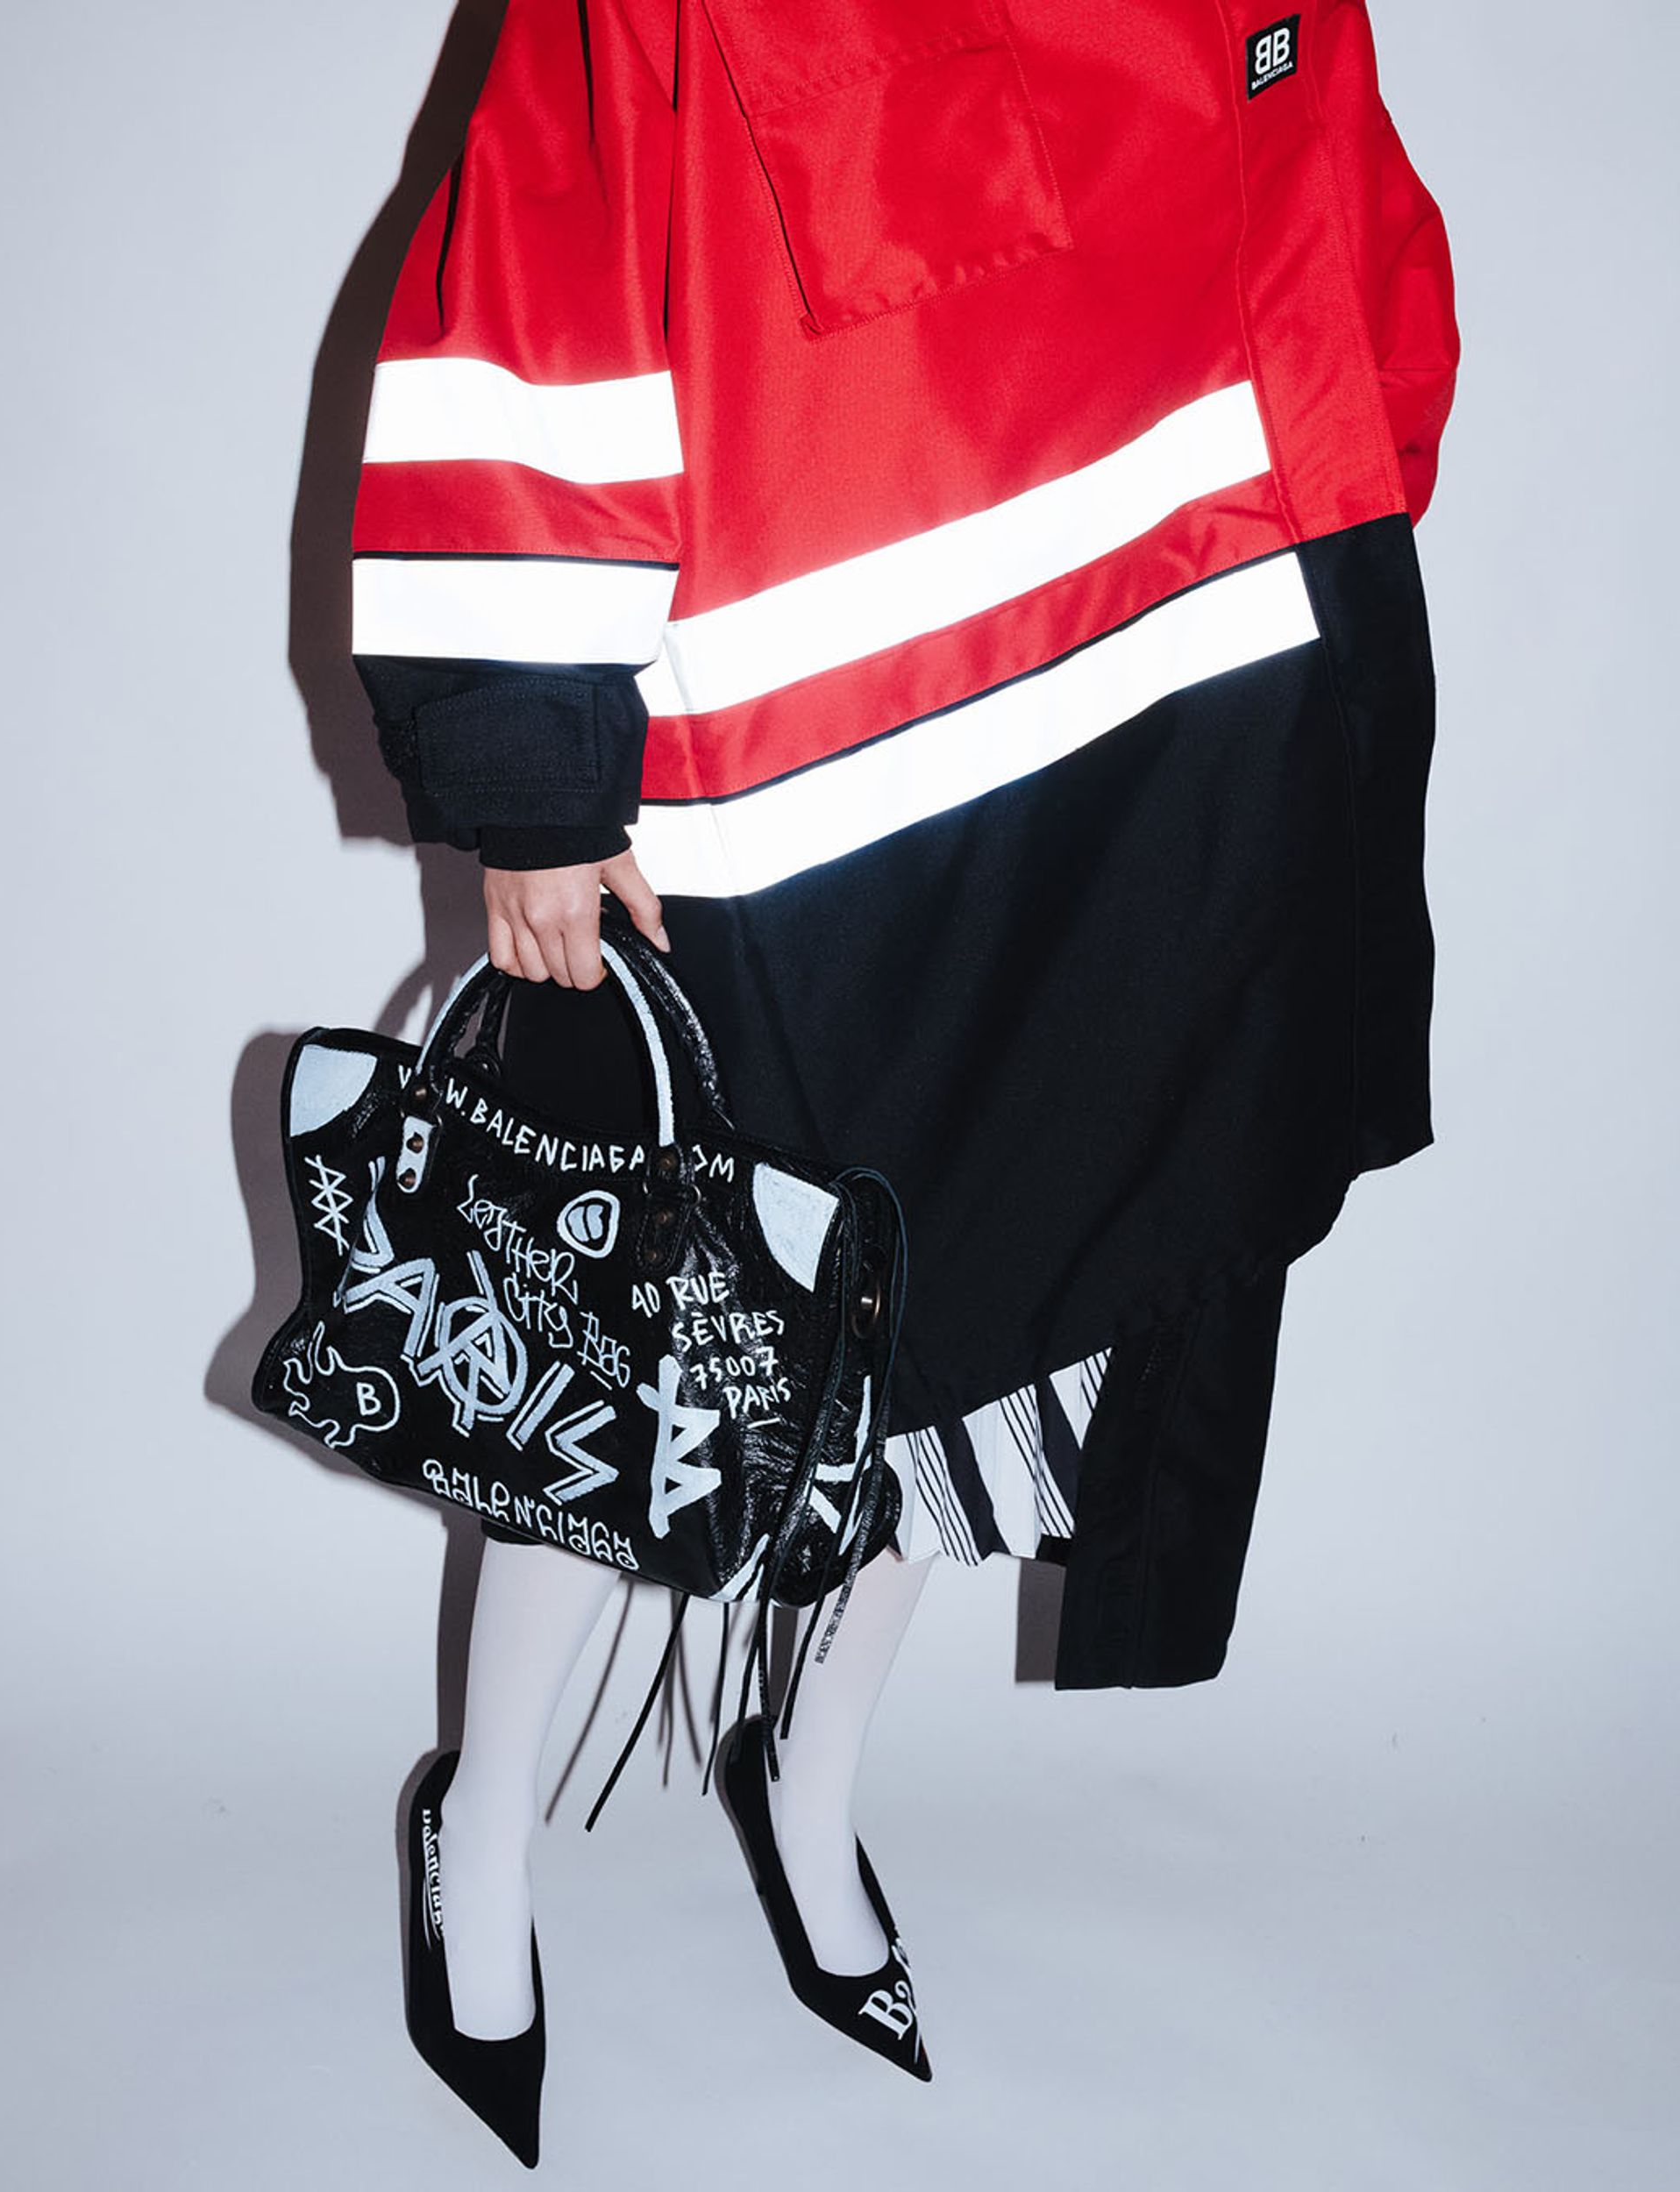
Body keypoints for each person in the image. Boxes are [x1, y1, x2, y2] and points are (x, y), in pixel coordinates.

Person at [347, 0, 1460, 2162]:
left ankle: (811, 1776)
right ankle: (480, 1817)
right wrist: (528, 765)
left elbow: (1328, 233)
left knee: (1009, 1321)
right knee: (635, 1352)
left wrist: (1338, 646)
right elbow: (531, 286)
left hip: (1161, 715)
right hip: (792, 800)